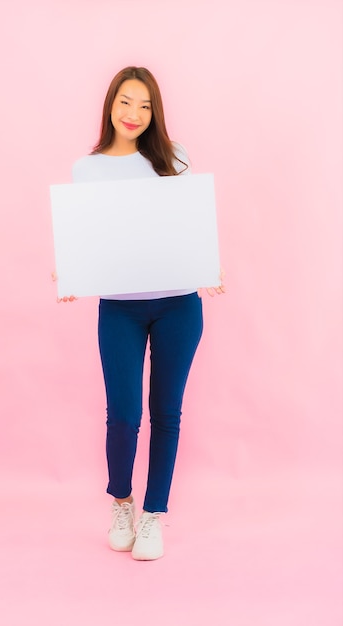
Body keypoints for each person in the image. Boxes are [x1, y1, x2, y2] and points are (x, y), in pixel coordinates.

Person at [56, 66, 224, 560]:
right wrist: (68, 271)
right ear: (110, 104)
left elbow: (189, 225)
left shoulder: (175, 159)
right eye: (126, 102)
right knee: (124, 415)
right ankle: (122, 502)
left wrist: (210, 266)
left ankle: (154, 515)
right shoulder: (87, 170)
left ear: (156, 112)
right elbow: (88, 238)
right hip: (121, 311)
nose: (134, 114)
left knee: (166, 414)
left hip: (178, 306)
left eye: (146, 105)